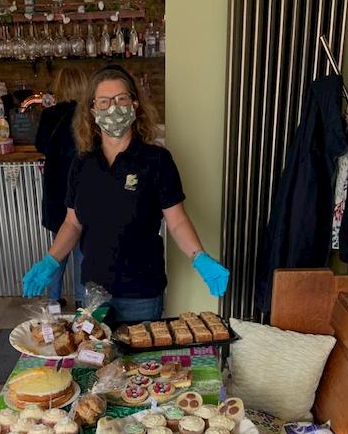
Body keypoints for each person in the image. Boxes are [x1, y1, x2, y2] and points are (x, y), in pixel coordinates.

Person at [23, 64, 229, 322]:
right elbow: (72, 223)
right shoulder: (82, 163)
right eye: (104, 101)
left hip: (141, 294)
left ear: (134, 105)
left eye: (121, 99)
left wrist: (200, 258)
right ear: (92, 110)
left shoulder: (156, 161)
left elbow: (177, 221)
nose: (113, 108)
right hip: (94, 293)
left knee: (143, 364)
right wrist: (51, 260)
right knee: (97, 360)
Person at [34, 66, 88, 306]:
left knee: (58, 249)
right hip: (82, 190)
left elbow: (40, 145)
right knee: (81, 251)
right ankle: (80, 300)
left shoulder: (49, 115)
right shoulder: (88, 116)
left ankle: (53, 300)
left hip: (56, 191)